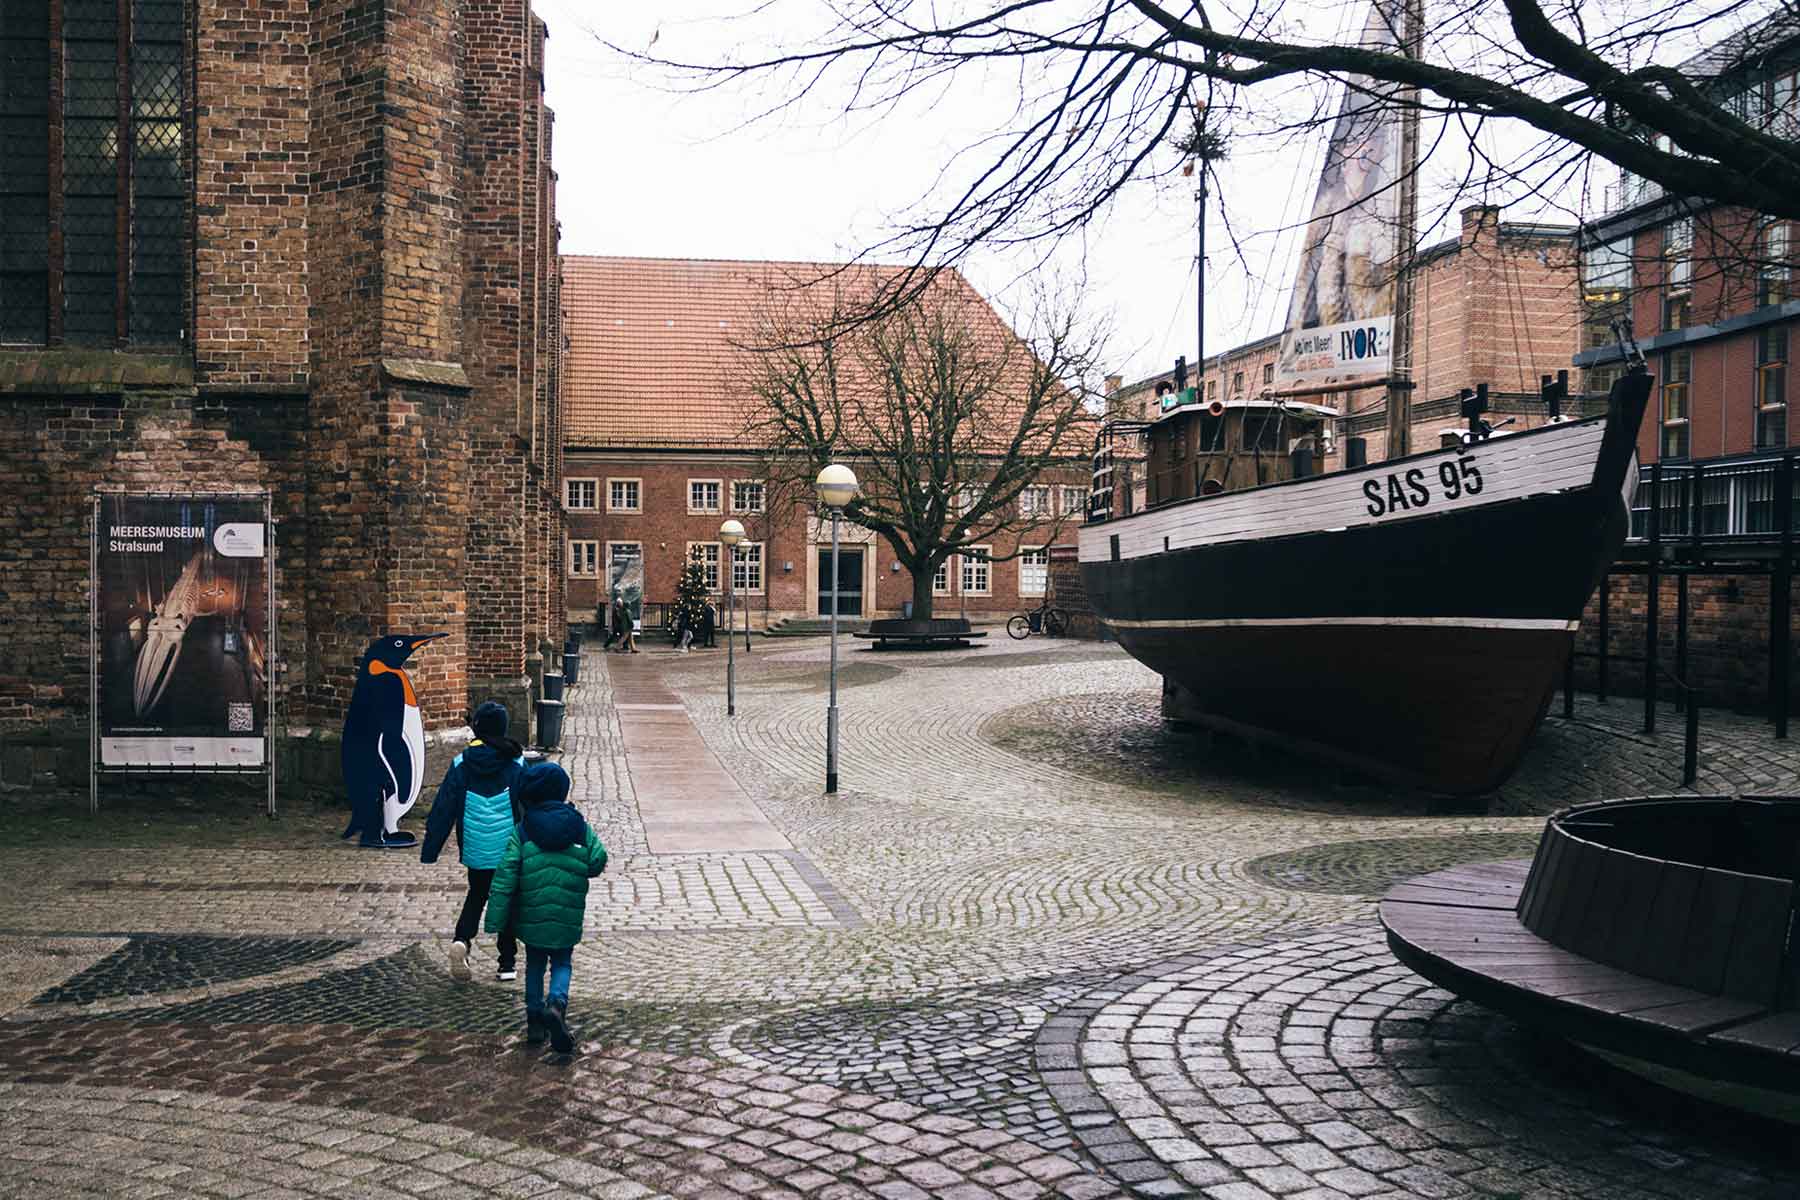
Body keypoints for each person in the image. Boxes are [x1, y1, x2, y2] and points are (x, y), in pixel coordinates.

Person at [485, 762, 608, 1052]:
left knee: (535, 965)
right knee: (562, 963)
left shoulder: (523, 830)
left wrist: (496, 918)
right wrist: (579, 869)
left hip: (533, 913)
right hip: (567, 913)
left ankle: (534, 1022)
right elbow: (598, 859)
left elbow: (506, 873)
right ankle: (556, 1003)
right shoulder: (578, 826)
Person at [421, 701, 525, 981]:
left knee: (477, 895)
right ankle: (506, 963)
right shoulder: (516, 762)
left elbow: (443, 807)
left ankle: (462, 940)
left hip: (476, 847)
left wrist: (431, 848)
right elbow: (527, 805)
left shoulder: (461, 763)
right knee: (507, 900)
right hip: (507, 849)